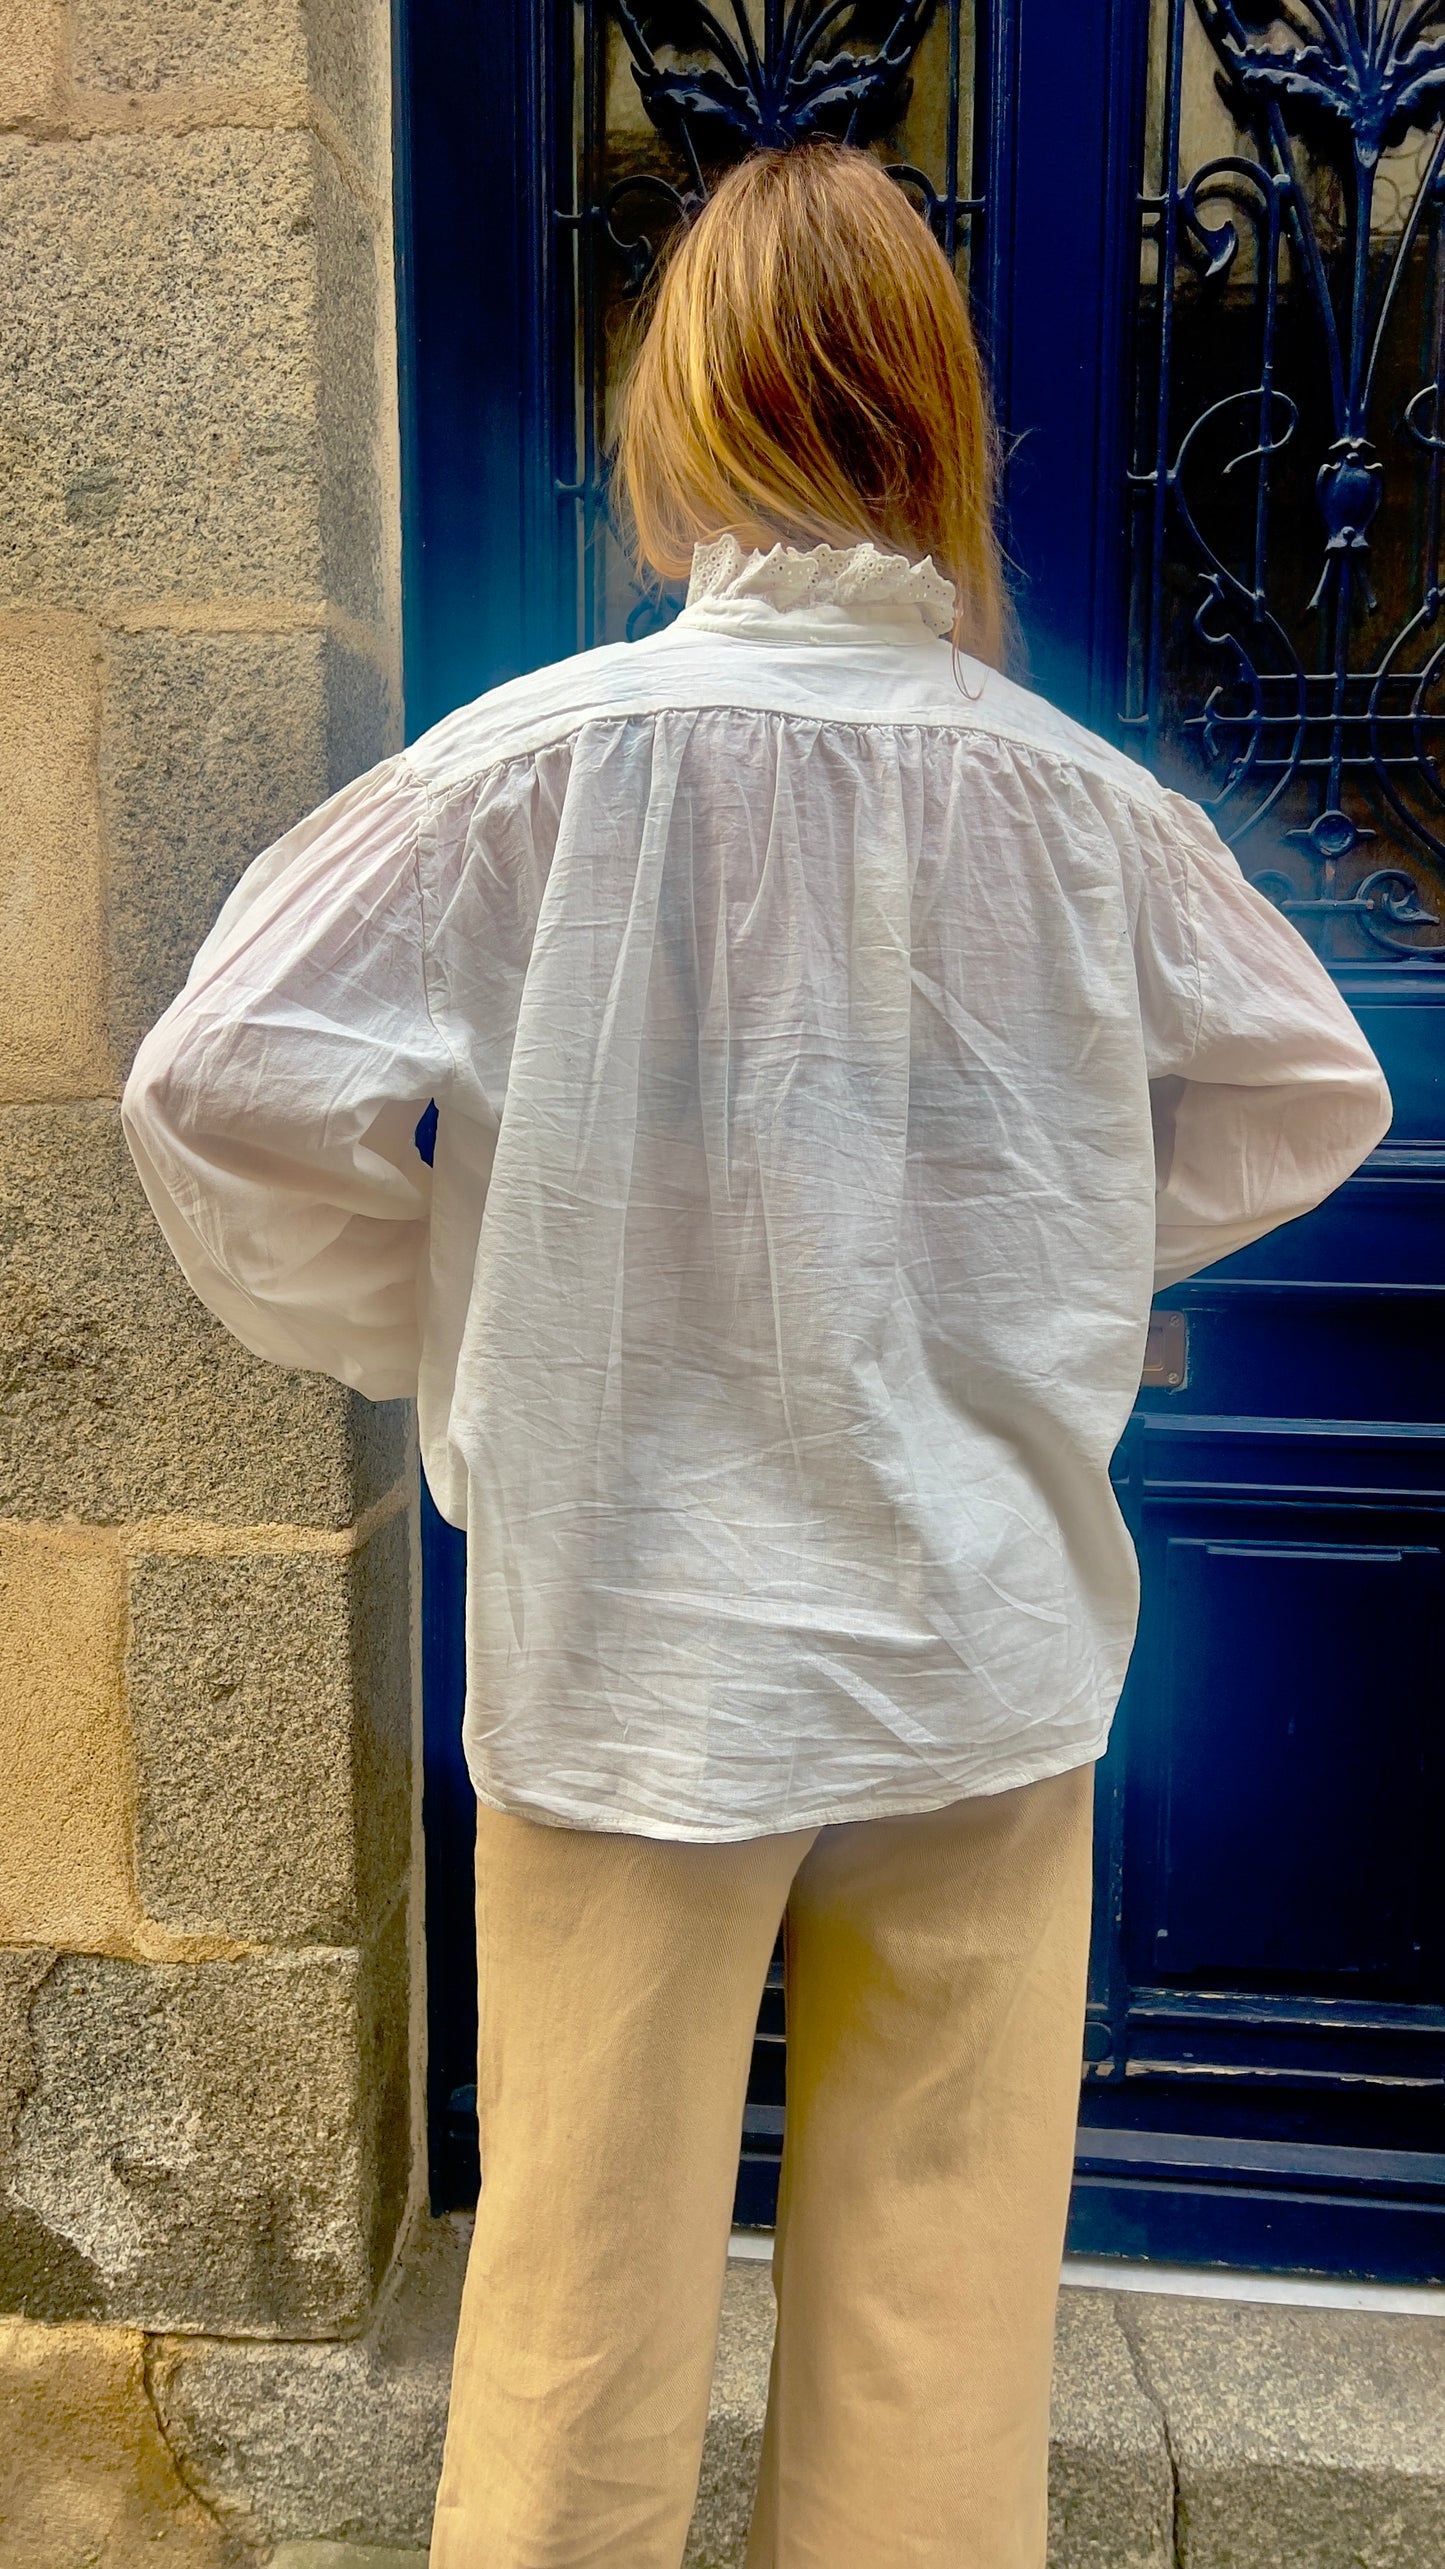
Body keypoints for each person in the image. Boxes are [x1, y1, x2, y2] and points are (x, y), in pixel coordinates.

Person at [121, 140, 1391, 2569]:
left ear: (680, 416)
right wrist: (1066, 1270)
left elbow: (213, 1076)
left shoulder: (532, 769)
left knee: (580, 2319)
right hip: (983, 1651)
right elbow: (1306, 1085)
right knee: (938, 2328)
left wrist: (439, 1311)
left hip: (635, 1652)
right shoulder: (1081, 809)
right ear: (937, 419)